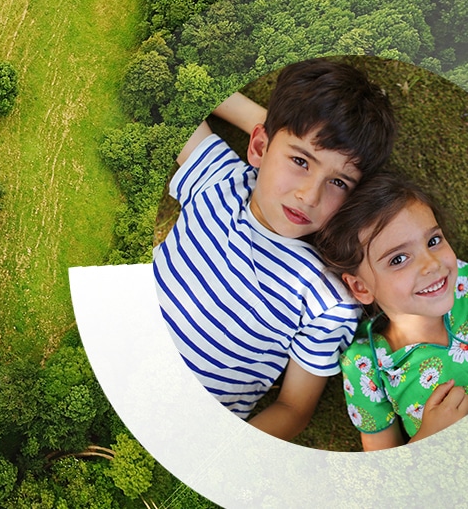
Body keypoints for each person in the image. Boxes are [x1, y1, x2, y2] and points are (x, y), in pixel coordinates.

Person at [153, 57, 397, 440]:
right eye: (300, 161)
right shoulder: (222, 179)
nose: (308, 195)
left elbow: (293, 408)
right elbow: (172, 88)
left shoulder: (327, 299)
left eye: (339, 183)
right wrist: (274, 129)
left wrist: (221, 454)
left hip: (179, 425)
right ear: (259, 146)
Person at [315, 173, 468, 450]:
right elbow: (384, 461)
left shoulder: (464, 281)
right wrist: (428, 439)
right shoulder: (365, 365)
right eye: (399, 259)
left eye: (433, 241)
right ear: (361, 287)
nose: (432, 264)